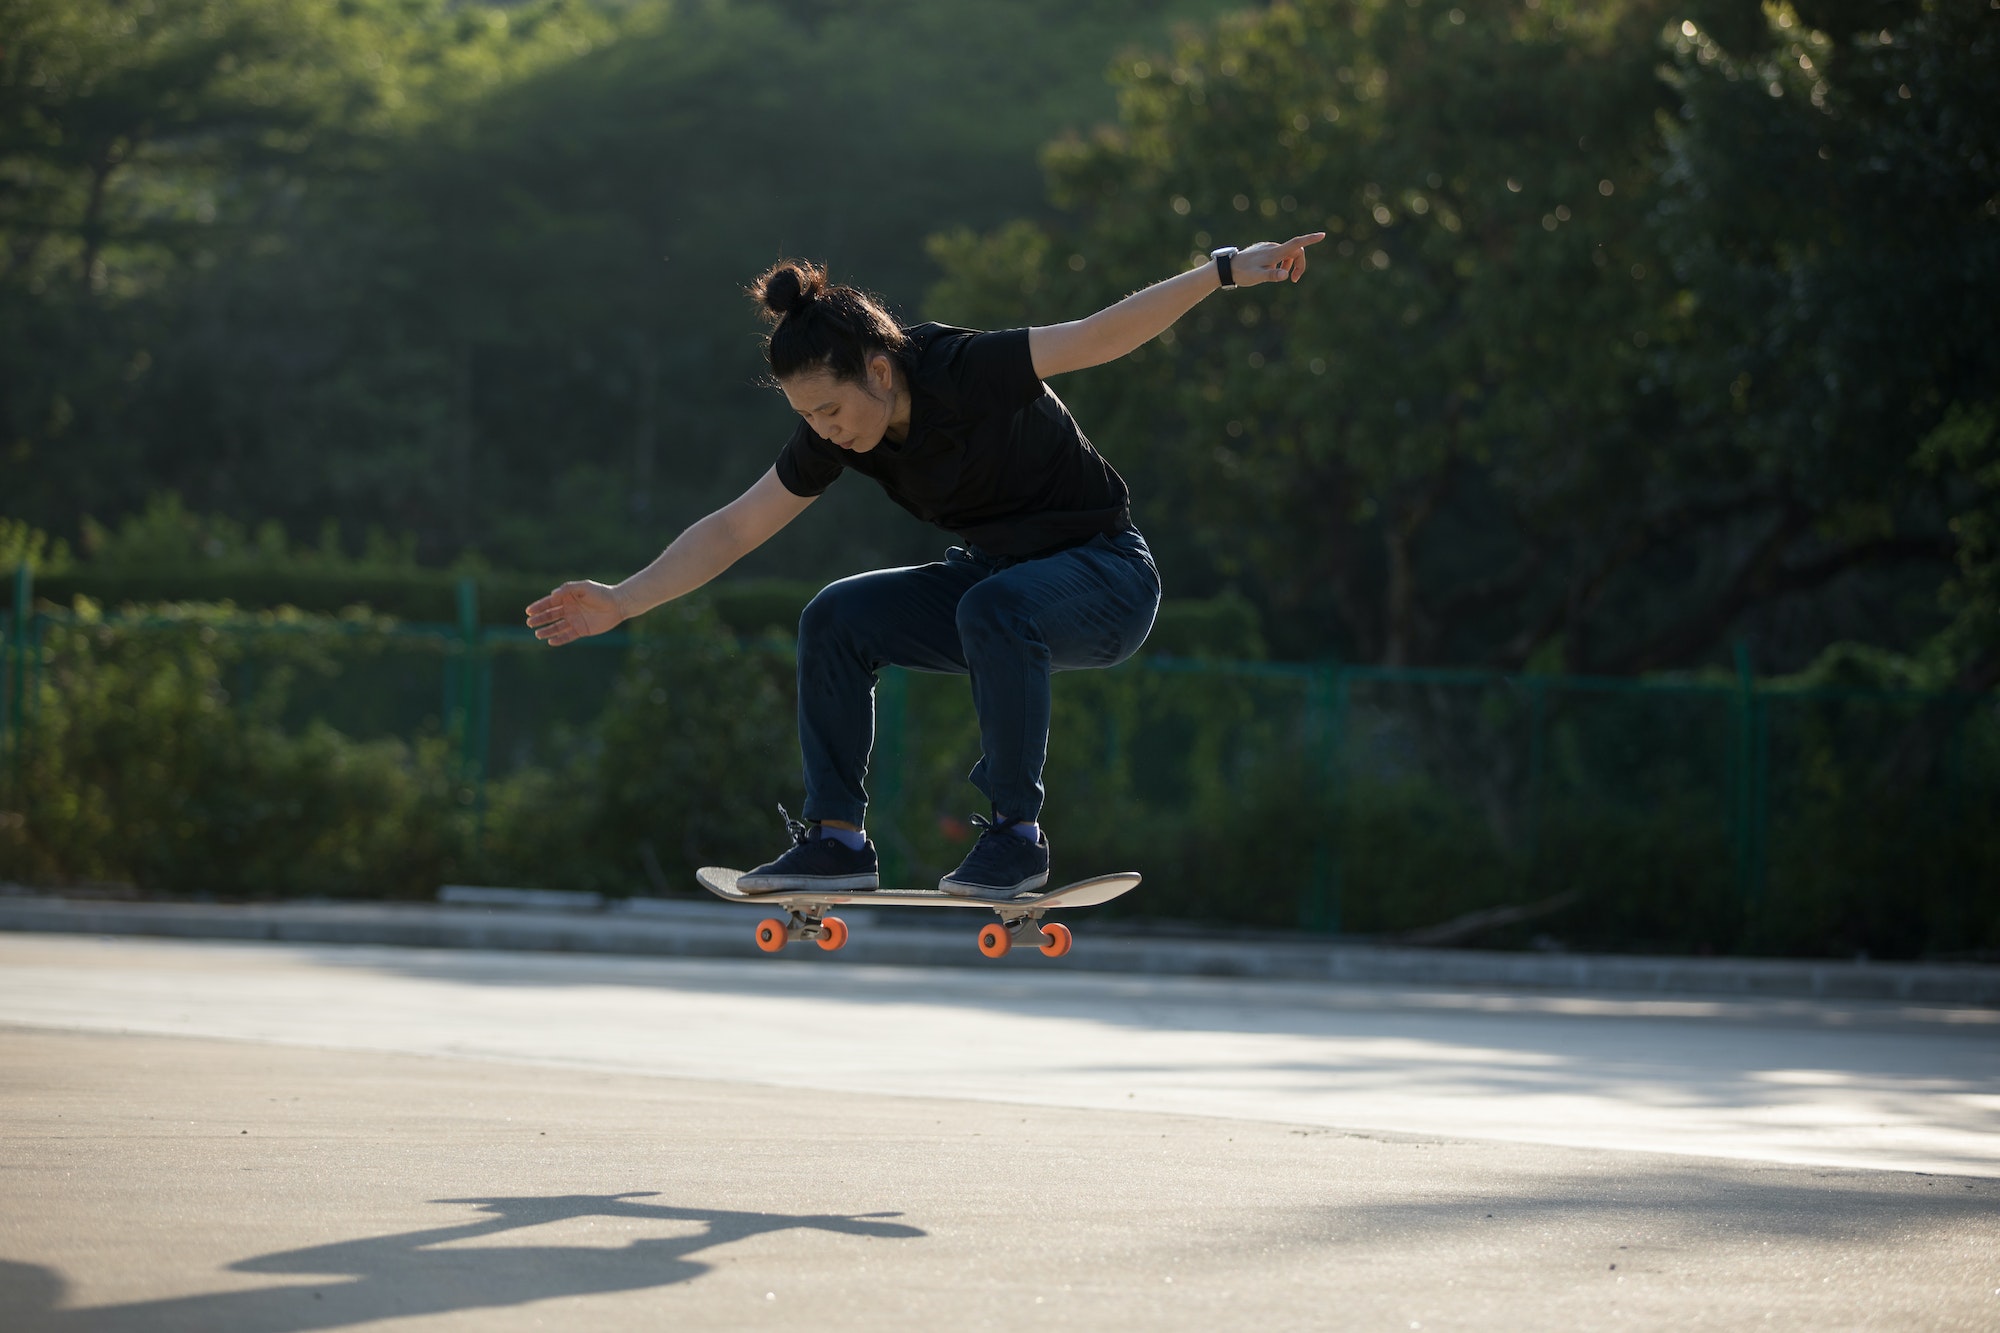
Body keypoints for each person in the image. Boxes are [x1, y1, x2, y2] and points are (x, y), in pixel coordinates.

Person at [526, 233, 1324, 898]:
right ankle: (837, 840)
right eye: (808, 418)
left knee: (994, 605)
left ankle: (1018, 837)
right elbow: (736, 527)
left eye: (832, 410)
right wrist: (624, 600)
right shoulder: (839, 433)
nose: (827, 432)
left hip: (1108, 578)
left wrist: (1222, 271)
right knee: (836, 617)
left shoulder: (959, 368)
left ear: (878, 368)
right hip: (997, 584)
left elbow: (1095, 336)